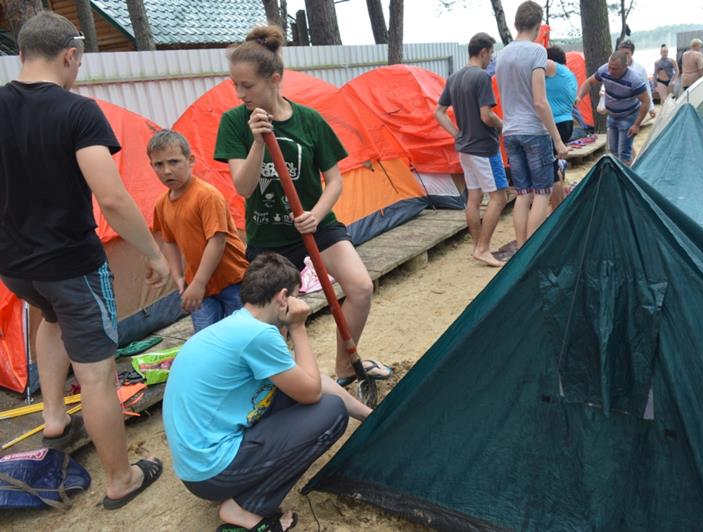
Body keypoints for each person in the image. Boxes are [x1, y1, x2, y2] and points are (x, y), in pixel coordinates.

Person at [0, 12, 169, 509]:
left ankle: (55, 418)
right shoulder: (78, 112)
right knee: (96, 374)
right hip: (72, 264)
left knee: (50, 320)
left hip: (15, 265)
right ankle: (121, 479)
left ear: (22, 54)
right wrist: (154, 253)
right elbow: (112, 198)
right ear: (70, 55)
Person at [214, 24, 391, 387]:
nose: (239, 93)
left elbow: (335, 180)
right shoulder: (234, 122)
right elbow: (244, 188)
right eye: (235, 85)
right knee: (270, 319)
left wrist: (316, 215)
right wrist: (258, 141)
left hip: (315, 224)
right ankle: (286, 385)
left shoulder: (309, 120)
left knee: (360, 288)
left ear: (274, 79)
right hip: (268, 235)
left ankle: (345, 367)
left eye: (247, 85)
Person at [163, 252, 372, 532]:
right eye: (296, 296)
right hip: (213, 473)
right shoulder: (258, 335)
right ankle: (246, 506)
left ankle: (242, 485)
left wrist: (370, 416)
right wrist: (297, 327)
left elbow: (306, 379)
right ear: (284, 298)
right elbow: (311, 392)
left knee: (295, 390)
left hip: (198, 468)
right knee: (331, 413)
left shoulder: (239, 326)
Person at [149, 130, 249, 332]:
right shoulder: (161, 204)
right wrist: (179, 277)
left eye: (174, 162)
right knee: (206, 337)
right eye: (159, 164)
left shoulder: (206, 195)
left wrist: (198, 283)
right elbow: (169, 241)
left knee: (243, 334)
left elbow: (217, 240)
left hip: (232, 280)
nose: (167, 171)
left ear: (190, 160)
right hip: (199, 285)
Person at [495, 1, 568, 251]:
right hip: (534, 132)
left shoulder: (502, 54)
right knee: (542, 192)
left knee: (523, 193)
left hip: (511, 132)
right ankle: (533, 251)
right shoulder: (537, 52)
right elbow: (539, 101)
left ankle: (521, 247)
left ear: (516, 23)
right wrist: (557, 139)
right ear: (538, 26)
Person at [434, 32, 507, 268]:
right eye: (491, 53)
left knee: (474, 198)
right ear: (483, 52)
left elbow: (438, 112)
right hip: (484, 147)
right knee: (499, 197)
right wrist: (503, 125)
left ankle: (477, 246)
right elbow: (486, 115)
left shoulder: (454, 78)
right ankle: (483, 249)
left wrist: (457, 134)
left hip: (465, 148)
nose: (491, 58)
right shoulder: (481, 77)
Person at [576, 51, 651, 167]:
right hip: (612, 116)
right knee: (613, 151)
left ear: (625, 67)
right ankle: (619, 173)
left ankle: (626, 176)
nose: (610, 71)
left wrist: (636, 124)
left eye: (615, 69)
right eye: (609, 67)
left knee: (624, 153)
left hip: (628, 117)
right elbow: (589, 82)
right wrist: (579, 96)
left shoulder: (634, 80)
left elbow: (646, 101)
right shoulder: (604, 70)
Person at [544, 45, 577, 210]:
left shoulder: (555, 71)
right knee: (555, 165)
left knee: (551, 171)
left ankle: (557, 208)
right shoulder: (569, 75)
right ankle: (561, 203)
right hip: (567, 122)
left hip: (554, 124)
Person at [617, 40, 656, 120]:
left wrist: (651, 107)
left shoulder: (640, 69)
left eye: (626, 53)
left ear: (632, 53)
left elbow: (647, 88)